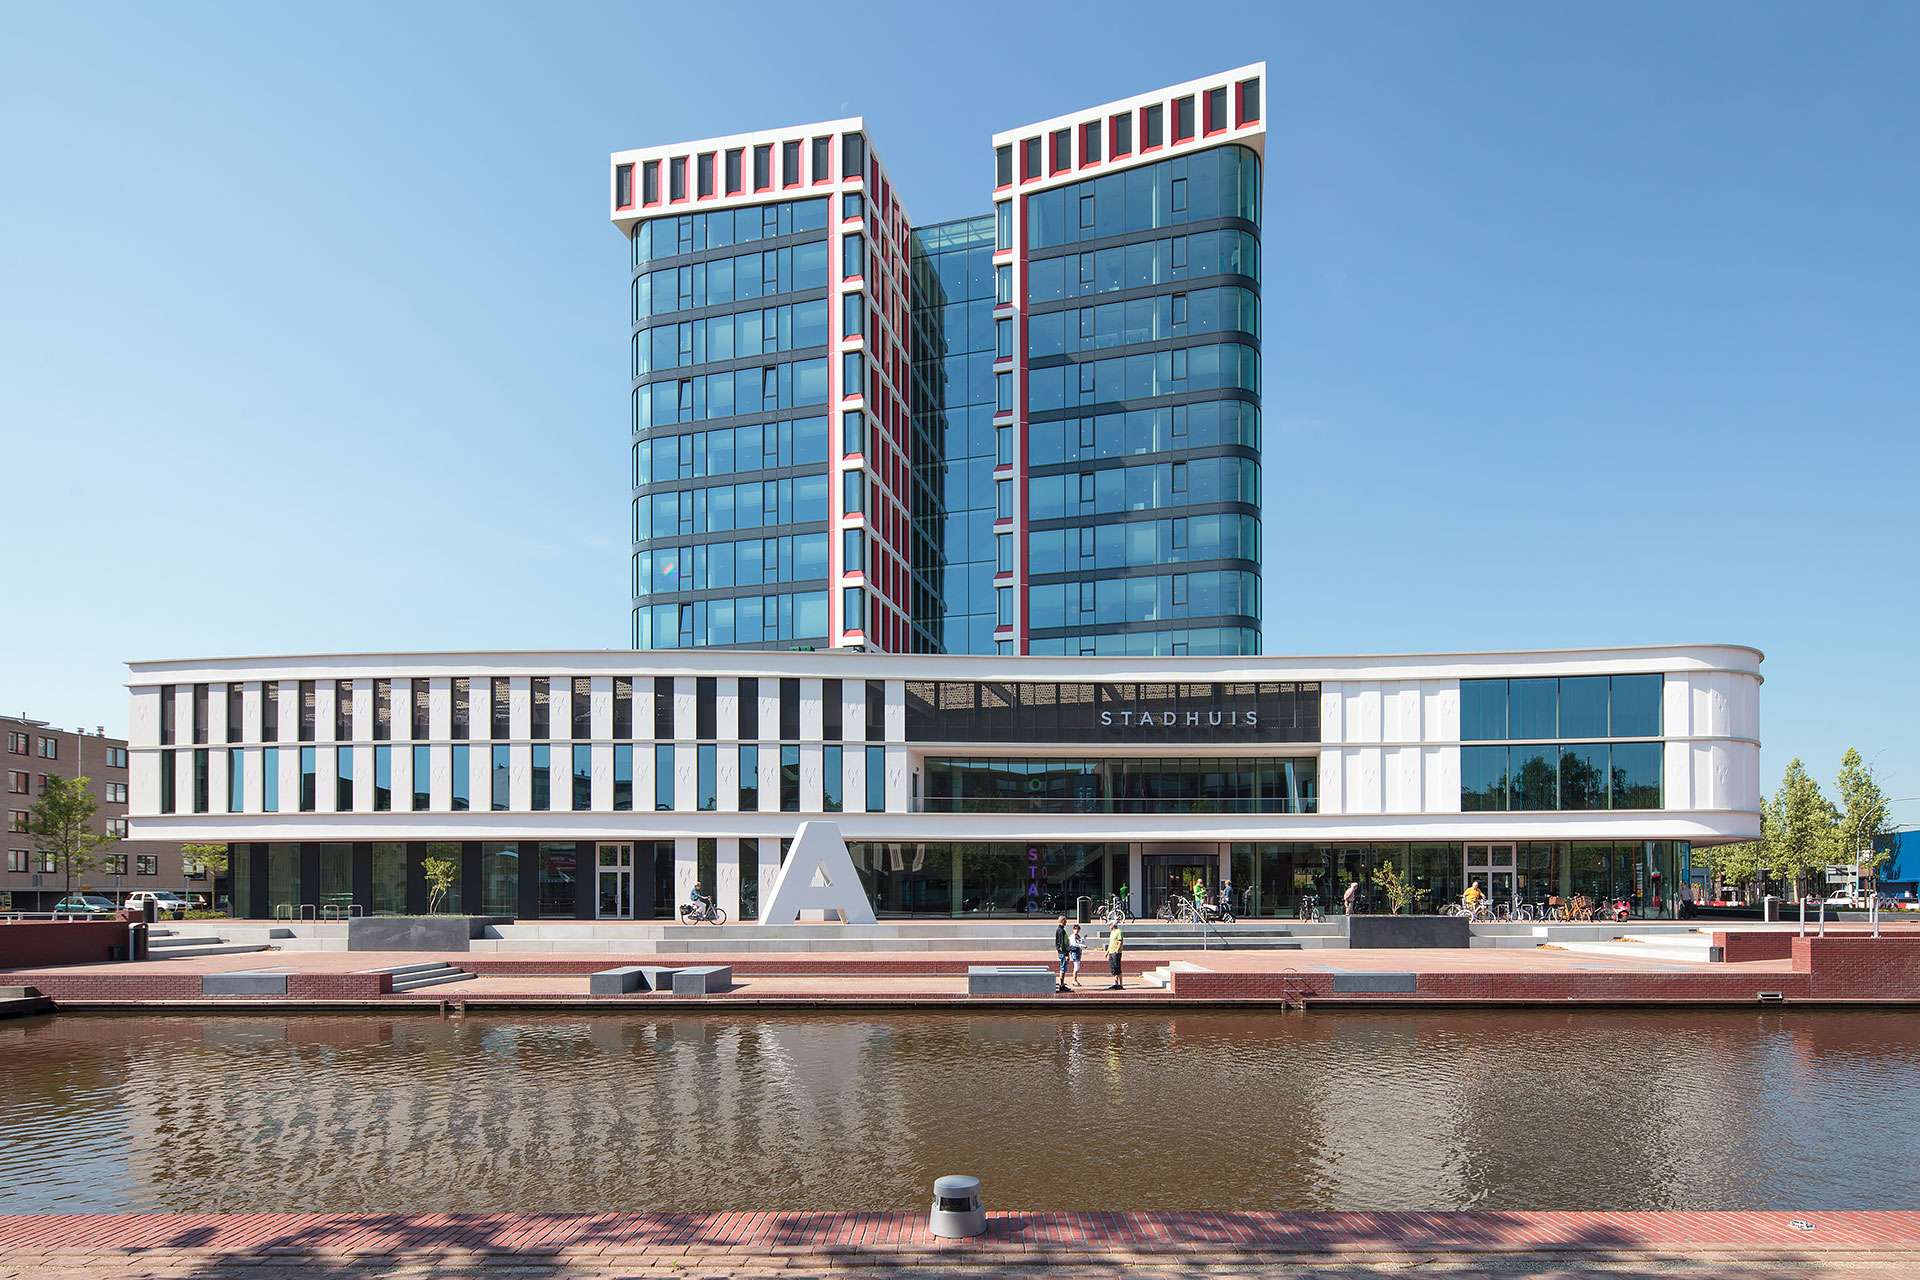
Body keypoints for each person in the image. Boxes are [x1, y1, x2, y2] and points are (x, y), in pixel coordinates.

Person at [1106, 920, 1125, 989]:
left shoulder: (1118, 932)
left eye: (1110, 925)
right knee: (1113, 968)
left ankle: (1121, 984)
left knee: (1117, 967)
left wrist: (1117, 950)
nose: (1109, 926)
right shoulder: (1112, 932)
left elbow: (1120, 941)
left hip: (1116, 952)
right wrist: (1107, 952)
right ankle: (1115, 983)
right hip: (1111, 951)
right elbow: (1110, 942)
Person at [1053, 916, 1071, 992]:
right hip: (1063, 953)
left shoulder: (1060, 930)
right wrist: (1066, 954)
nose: (1066, 921)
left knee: (1063, 967)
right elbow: (1062, 943)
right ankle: (1062, 985)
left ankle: (1062, 983)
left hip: (1061, 952)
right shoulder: (1061, 931)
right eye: (1065, 920)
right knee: (1063, 968)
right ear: (1062, 921)